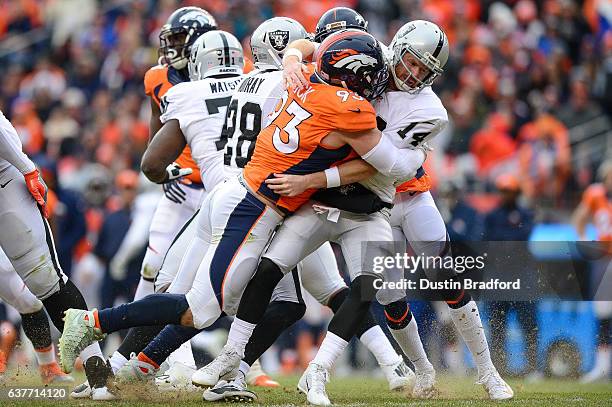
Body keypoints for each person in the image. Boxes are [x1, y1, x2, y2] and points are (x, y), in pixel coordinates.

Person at [57, 30, 413, 400]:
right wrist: (417, 149)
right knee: (202, 308)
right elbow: (394, 166)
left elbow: (309, 48)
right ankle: (93, 324)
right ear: (348, 74)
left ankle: (164, 365)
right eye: (369, 76)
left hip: (233, 192)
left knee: (216, 303)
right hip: (254, 207)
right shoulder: (346, 107)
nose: (375, 84)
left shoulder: (302, 77)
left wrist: (293, 56)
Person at [204, 19, 513, 405]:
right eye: (412, 62)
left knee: (444, 276)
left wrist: (320, 176)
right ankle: (421, 370)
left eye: (424, 70)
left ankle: (487, 372)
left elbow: (393, 168)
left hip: (405, 196)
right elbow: (309, 44)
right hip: (352, 200)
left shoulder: (429, 109)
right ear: (396, 47)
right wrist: (293, 61)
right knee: (388, 296)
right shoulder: (370, 57)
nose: (413, 73)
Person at [0, 110, 112, 400]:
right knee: (23, 293)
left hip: (3, 178)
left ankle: (97, 371)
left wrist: (27, 168)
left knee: (46, 280)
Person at [483, 174, 538, 378]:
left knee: (529, 324)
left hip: (522, 278)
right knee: (497, 326)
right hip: (498, 278)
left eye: (509, 191)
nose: (506, 195)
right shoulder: (491, 216)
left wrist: (504, 241)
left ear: (516, 192)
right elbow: (488, 242)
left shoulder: (525, 214)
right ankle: (499, 367)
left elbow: (522, 238)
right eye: (503, 190)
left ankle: (532, 367)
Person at [573, 160, 612, 382]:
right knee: (603, 313)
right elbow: (580, 216)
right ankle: (603, 366)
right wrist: (583, 239)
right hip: (604, 260)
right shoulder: (596, 194)